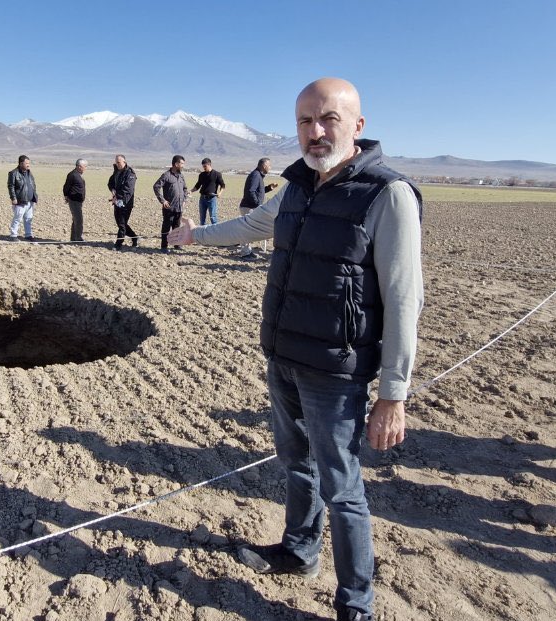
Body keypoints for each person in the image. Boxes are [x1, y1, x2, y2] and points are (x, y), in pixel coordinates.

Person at [168, 77, 423, 621]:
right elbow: (255, 224)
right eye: (305, 120)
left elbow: (404, 298)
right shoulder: (297, 186)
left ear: (358, 125)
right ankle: (299, 550)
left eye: (328, 118)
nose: (315, 131)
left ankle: (356, 604)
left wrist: (393, 393)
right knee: (296, 463)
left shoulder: (387, 194)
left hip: (336, 371)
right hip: (283, 356)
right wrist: (196, 237)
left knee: (343, 486)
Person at [237, 157, 279, 258]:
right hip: (249, 207)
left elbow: (257, 191)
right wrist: (258, 204)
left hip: (250, 206)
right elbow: (251, 191)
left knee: (249, 229)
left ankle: (247, 251)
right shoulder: (256, 175)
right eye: (269, 165)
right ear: (264, 166)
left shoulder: (257, 175)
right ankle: (245, 253)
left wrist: (269, 188)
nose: (270, 167)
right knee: (247, 229)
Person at [152, 154, 190, 252]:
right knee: (166, 227)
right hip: (169, 207)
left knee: (177, 227)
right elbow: (156, 187)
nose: (183, 166)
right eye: (182, 164)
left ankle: (177, 244)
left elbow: (185, 189)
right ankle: (164, 246)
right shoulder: (166, 175)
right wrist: (163, 200)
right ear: (176, 164)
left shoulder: (181, 176)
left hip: (179, 207)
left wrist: (185, 199)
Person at [107, 154, 139, 250]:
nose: (117, 164)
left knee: (122, 224)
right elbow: (110, 183)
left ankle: (118, 244)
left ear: (124, 162)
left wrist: (117, 197)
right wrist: (112, 190)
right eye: (116, 162)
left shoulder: (130, 174)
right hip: (117, 202)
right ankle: (134, 237)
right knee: (121, 223)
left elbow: (128, 190)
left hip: (126, 203)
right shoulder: (116, 172)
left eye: (119, 162)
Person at [7, 155, 38, 241]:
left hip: (30, 201)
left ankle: (28, 235)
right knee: (17, 218)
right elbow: (11, 186)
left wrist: (34, 196)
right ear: (21, 163)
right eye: (26, 163)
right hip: (20, 201)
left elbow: (32, 184)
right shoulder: (14, 173)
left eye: (29, 163)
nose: (28, 165)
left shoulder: (29, 173)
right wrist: (13, 198)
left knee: (28, 219)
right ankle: (13, 235)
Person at [191, 157, 226, 225]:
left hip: (212, 199)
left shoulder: (217, 174)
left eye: (205, 166)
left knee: (213, 217)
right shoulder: (201, 175)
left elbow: (223, 185)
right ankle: (202, 233)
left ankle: (215, 234)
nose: (204, 168)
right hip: (202, 199)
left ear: (209, 164)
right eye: (203, 166)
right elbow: (197, 185)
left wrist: (220, 193)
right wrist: (191, 191)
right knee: (202, 218)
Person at [62, 158, 87, 242]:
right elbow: (66, 186)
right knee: (79, 219)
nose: (85, 168)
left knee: (75, 219)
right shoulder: (72, 175)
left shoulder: (78, 175)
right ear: (79, 166)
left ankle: (73, 238)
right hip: (74, 200)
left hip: (79, 201)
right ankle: (78, 238)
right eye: (85, 166)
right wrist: (66, 196)